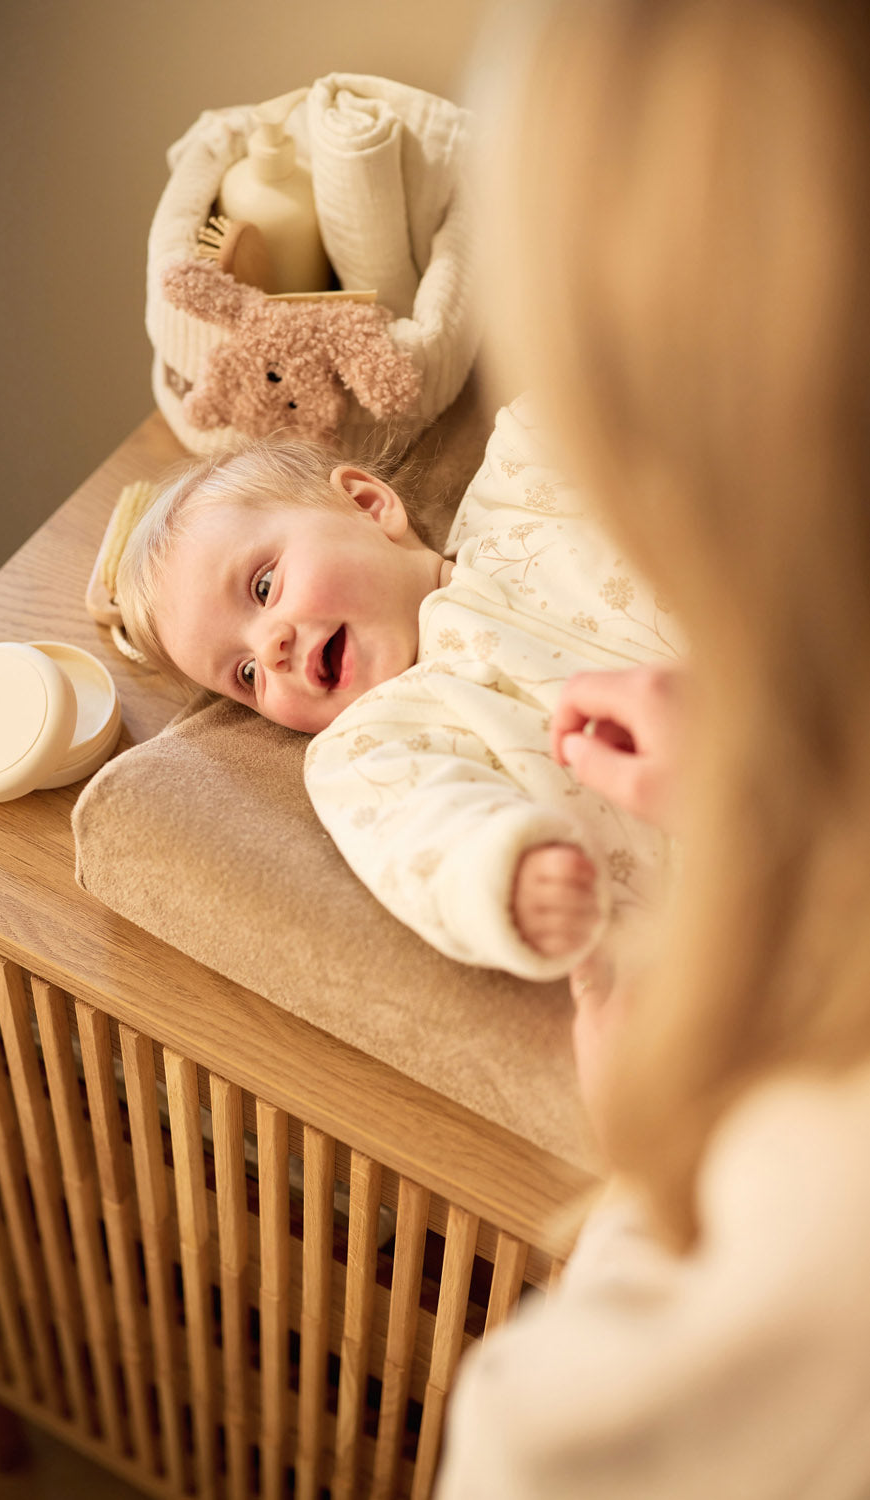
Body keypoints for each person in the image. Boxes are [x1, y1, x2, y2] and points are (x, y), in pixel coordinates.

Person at [431, 0, 870, 1494]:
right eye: (239, 660)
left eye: (264, 586)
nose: (278, 649)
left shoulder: (810, 1216)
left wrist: (638, 1178)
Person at [116, 406, 680, 981]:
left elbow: (590, 395)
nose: (269, 650)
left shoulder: (518, 497)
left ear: (368, 505)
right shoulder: (371, 746)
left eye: (264, 587)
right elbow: (418, 839)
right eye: (245, 675)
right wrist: (506, 874)